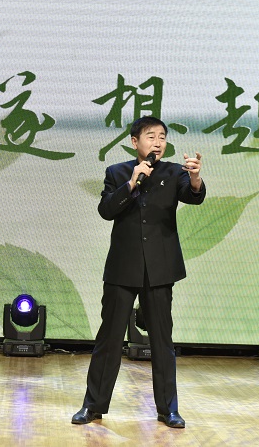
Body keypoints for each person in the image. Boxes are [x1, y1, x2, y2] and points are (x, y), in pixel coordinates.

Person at [71, 116, 205, 428]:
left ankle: (168, 410)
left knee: (162, 341)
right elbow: (106, 210)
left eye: (162, 137)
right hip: (122, 267)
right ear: (135, 142)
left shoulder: (174, 172)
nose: (158, 142)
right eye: (150, 136)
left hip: (160, 269)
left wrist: (196, 178)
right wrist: (132, 182)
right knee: (109, 339)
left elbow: (193, 196)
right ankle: (93, 406)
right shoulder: (117, 172)